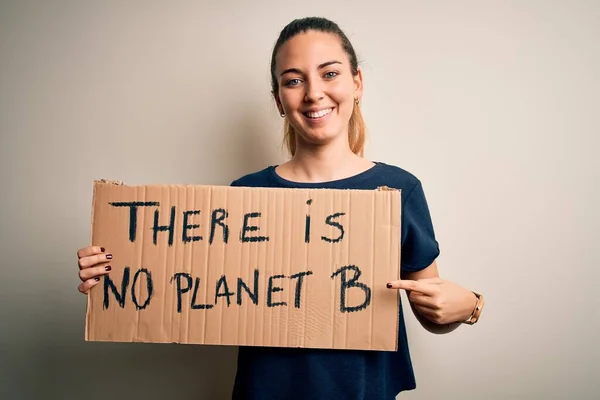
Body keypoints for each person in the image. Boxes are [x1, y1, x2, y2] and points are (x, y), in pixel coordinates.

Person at [76, 16, 484, 400]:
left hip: (363, 391)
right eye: (294, 80)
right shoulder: (245, 194)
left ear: (357, 83)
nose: (313, 93)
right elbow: (185, 284)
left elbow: (430, 308)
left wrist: (468, 306)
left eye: (330, 73)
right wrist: (115, 270)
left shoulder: (399, 189)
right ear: (278, 99)